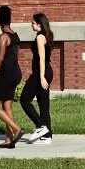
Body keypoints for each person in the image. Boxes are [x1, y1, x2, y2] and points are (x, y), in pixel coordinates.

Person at [0, 4, 24, 148]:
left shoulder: (3, 37)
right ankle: (9, 140)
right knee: (7, 106)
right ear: (9, 19)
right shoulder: (15, 36)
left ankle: (17, 129)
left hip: (6, 74)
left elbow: (0, 59)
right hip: (16, 73)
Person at [20, 12, 54, 143]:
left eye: (33, 23)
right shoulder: (48, 35)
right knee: (43, 104)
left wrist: (41, 77)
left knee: (25, 99)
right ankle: (47, 136)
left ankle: (41, 127)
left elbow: (42, 57)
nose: (31, 24)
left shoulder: (40, 37)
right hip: (47, 71)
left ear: (39, 24)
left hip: (42, 72)